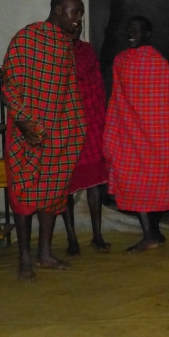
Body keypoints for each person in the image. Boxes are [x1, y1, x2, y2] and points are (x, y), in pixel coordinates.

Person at [1, 0, 86, 281]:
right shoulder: (26, 38)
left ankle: (45, 254)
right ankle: (25, 258)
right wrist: (24, 121)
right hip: (27, 130)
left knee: (52, 192)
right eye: (75, 12)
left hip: (57, 132)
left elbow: (68, 90)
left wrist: (73, 127)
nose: (78, 20)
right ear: (58, 10)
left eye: (81, 14)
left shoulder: (64, 45)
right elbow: (9, 85)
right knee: (23, 195)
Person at [103, 16, 169, 252]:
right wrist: (117, 125)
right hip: (129, 133)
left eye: (137, 30)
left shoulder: (157, 62)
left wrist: (163, 131)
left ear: (147, 34)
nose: (131, 33)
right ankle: (151, 234)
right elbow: (118, 97)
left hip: (155, 133)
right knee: (133, 181)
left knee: (157, 183)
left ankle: (153, 233)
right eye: (129, 29)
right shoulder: (120, 60)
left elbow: (165, 99)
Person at [60, 23, 111, 255]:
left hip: (90, 121)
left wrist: (100, 120)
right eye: (71, 25)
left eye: (79, 26)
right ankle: (71, 238)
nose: (76, 29)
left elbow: (96, 85)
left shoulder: (87, 51)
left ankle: (97, 235)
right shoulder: (54, 51)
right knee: (65, 185)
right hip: (64, 125)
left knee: (95, 182)